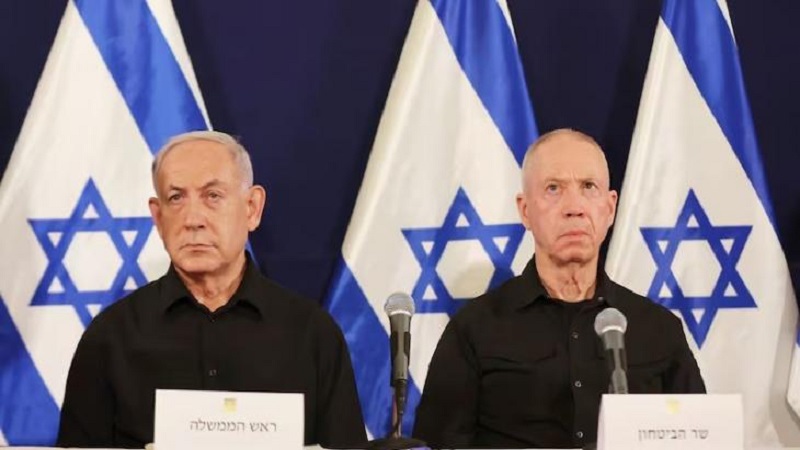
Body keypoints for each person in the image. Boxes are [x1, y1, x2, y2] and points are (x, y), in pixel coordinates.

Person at [57, 131, 366, 449]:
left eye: (213, 196)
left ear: (252, 208)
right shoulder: (110, 338)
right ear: (158, 217)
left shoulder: (311, 334)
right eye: (176, 198)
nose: (193, 219)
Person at [413, 129, 705, 449]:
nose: (574, 207)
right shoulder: (475, 329)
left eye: (588, 187)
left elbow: (699, 440)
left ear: (609, 209)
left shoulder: (659, 329)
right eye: (553, 188)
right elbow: (436, 444)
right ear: (525, 210)